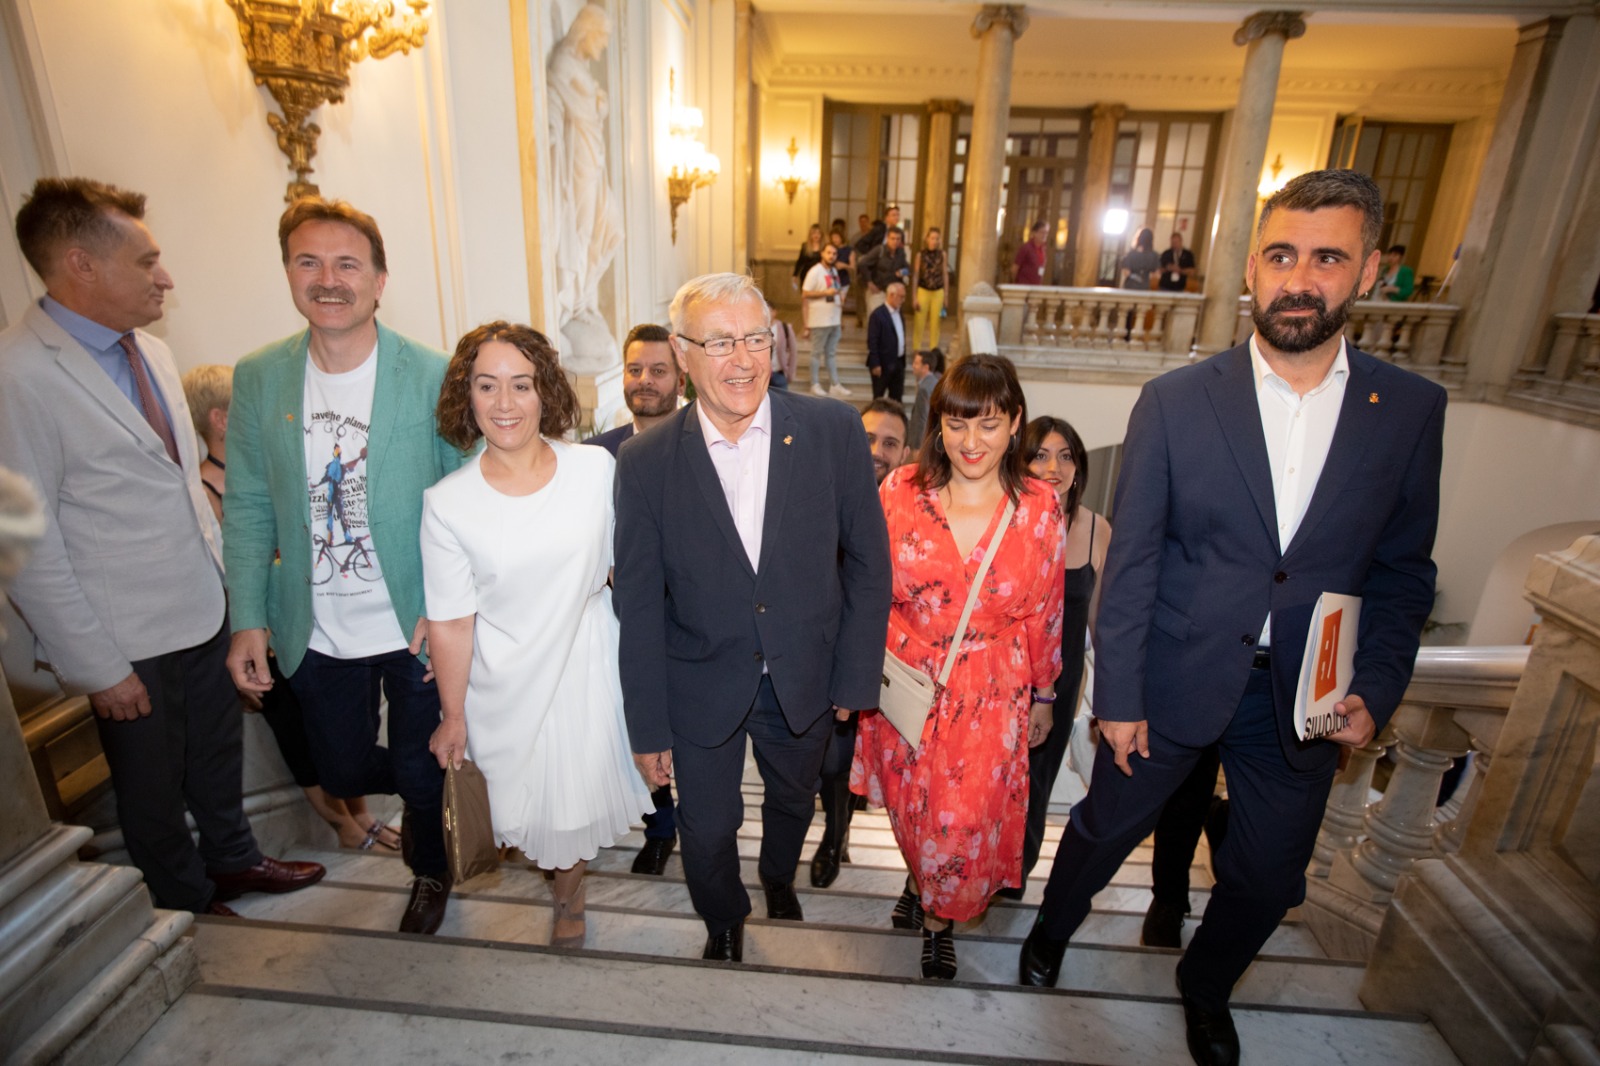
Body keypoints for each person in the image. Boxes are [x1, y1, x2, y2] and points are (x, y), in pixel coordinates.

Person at [1019, 170, 1446, 1066]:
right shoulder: (1177, 401)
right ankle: (1050, 933)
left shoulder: (1409, 410)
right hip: (1173, 677)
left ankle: (1206, 986)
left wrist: (1376, 687)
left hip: (1303, 698)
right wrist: (1119, 696)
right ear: (1252, 267)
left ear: (1368, 270)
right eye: (1281, 256)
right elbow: (1134, 561)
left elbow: (1404, 572)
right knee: (1102, 831)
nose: (1300, 279)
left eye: (1328, 258)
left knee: (1267, 877)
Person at [0, 177, 324, 916]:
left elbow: (179, 489)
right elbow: (25, 540)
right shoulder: (18, 373)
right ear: (82, 265)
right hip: (123, 635)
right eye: (146, 261)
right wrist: (96, 665)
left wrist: (233, 603)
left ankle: (235, 860)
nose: (165, 277)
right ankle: (185, 899)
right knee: (150, 787)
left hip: (200, 607)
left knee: (216, 755)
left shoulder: (148, 349)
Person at [614, 272, 892, 963]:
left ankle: (776, 876)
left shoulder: (831, 430)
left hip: (806, 675)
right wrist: (646, 726)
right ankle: (724, 915)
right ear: (682, 352)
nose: (742, 360)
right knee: (707, 828)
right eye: (719, 342)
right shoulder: (645, 461)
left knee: (793, 803)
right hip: (698, 679)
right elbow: (639, 603)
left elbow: (868, 562)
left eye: (756, 339)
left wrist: (855, 679)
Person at [223, 197, 467, 936]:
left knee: (419, 770)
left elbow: (465, 496)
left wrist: (455, 607)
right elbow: (248, 503)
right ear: (289, 273)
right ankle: (442, 784)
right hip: (315, 623)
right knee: (341, 771)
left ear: (379, 280)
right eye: (309, 262)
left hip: (414, 618)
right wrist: (248, 619)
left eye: (347, 264)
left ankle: (431, 869)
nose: (328, 280)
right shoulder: (259, 375)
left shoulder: (433, 373)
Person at [422, 322, 652, 949]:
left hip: (584, 663)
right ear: (466, 396)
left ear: (544, 390)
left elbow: (626, 570)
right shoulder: (448, 503)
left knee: (569, 809)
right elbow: (451, 619)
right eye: (487, 385)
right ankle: (557, 880)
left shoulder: (594, 469)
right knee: (520, 809)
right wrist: (452, 715)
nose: (505, 403)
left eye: (520, 385)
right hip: (503, 671)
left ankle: (569, 895)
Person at [853, 354, 1066, 981]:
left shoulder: (1039, 507)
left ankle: (938, 921)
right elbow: (867, 587)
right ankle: (919, 882)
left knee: (960, 823)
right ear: (938, 424)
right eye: (956, 424)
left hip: (991, 689)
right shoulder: (900, 491)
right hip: (908, 682)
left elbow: (1047, 610)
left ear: (1016, 422)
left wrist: (1045, 694)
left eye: (989, 424)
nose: (971, 442)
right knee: (911, 812)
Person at [182, 364, 399, 854]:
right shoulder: (204, 491)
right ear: (221, 420)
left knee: (349, 732)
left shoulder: (274, 471)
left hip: (317, 626)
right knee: (301, 739)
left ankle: (362, 815)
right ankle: (344, 826)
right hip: (269, 637)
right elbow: (230, 570)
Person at [995, 416, 1111, 901]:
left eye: (1066, 456)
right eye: (1040, 455)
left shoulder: (1096, 530)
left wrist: (1112, 697)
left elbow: (1101, 623)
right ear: (1020, 463)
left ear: (1079, 468)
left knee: (1038, 779)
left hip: (1061, 683)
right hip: (1001, 674)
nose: (1054, 467)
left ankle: (1014, 875)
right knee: (990, 778)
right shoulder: (1000, 521)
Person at [809, 397, 910, 889]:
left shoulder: (912, 508)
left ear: (905, 453)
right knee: (833, 759)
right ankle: (835, 833)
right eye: (868, 438)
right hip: (829, 649)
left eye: (890, 443)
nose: (877, 451)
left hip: (892, 660)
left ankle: (840, 831)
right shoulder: (822, 489)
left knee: (861, 761)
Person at [801, 242, 849, 398]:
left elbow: (835, 290)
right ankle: (814, 384)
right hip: (819, 319)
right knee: (816, 353)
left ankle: (835, 384)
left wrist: (840, 296)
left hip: (834, 318)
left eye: (834, 254)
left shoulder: (834, 271)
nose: (831, 256)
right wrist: (825, 293)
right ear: (822, 253)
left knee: (831, 354)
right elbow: (805, 293)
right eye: (828, 252)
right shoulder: (815, 271)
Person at [867, 281, 909, 401]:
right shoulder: (877, 315)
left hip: (898, 362)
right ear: (891, 295)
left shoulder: (900, 313)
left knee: (897, 398)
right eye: (901, 297)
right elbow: (872, 341)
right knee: (879, 397)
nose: (903, 300)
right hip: (883, 364)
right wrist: (875, 363)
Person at [857, 227, 910, 320]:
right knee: (876, 319)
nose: (895, 241)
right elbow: (862, 264)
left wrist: (902, 272)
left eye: (898, 239)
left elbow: (908, 268)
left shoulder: (900, 253)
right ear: (887, 238)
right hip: (878, 290)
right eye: (893, 238)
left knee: (890, 321)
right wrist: (869, 282)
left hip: (893, 293)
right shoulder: (879, 250)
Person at [910, 228, 948, 353]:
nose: (934, 241)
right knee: (919, 321)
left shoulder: (942, 254)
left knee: (936, 323)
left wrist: (946, 295)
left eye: (937, 239)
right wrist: (914, 297)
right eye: (932, 238)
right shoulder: (920, 255)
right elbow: (916, 275)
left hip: (938, 291)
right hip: (923, 290)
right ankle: (916, 348)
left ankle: (934, 350)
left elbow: (945, 274)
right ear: (927, 239)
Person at [907, 347, 944, 450]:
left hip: (922, 442)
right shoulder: (935, 382)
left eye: (916, 363)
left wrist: (918, 446)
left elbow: (922, 419)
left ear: (925, 367)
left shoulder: (924, 388)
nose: (913, 366)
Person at [1014, 221, 1050, 285]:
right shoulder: (1026, 248)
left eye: (1046, 233)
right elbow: (1014, 268)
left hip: (1036, 285)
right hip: (1023, 285)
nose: (1044, 235)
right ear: (1034, 233)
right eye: (1042, 232)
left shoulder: (1043, 249)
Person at [792, 224, 825, 292]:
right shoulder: (805, 246)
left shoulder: (825, 246)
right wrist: (795, 275)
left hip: (820, 275)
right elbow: (800, 261)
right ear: (810, 235)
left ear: (821, 235)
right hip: (806, 274)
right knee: (806, 294)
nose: (816, 235)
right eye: (814, 233)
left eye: (818, 233)